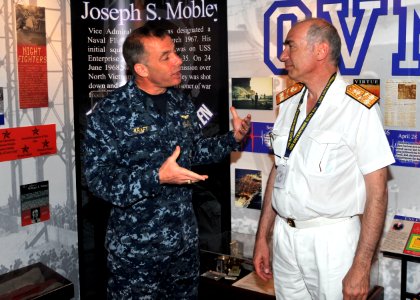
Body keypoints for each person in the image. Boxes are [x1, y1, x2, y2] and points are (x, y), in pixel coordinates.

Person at [83, 22, 251, 299]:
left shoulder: (180, 103)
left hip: (183, 248)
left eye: (175, 52)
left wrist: (232, 139)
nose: (178, 60)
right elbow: (99, 182)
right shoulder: (110, 113)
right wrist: (156, 177)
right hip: (137, 256)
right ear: (142, 69)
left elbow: (193, 152)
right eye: (166, 57)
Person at [253, 18, 395, 300]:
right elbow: (279, 172)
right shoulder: (290, 102)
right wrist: (262, 237)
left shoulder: (357, 107)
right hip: (285, 236)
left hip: (331, 241)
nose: (282, 56)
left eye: (290, 46)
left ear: (320, 50)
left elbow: (377, 192)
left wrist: (362, 265)